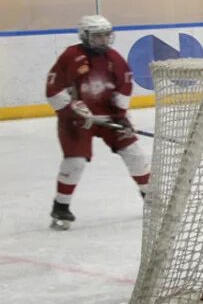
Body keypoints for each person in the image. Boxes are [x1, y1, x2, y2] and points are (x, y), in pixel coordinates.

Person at [45, 16, 150, 229]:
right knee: (76, 161)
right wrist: (74, 109)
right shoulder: (70, 56)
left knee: (135, 153)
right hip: (76, 118)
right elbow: (53, 89)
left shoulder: (115, 59)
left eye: (105, 35)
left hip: (108, 114)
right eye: (97, 36)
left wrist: (120, 115)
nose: (103, 40)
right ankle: (61, 206)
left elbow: (124, 88)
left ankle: (151, 199)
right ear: (84, 37)